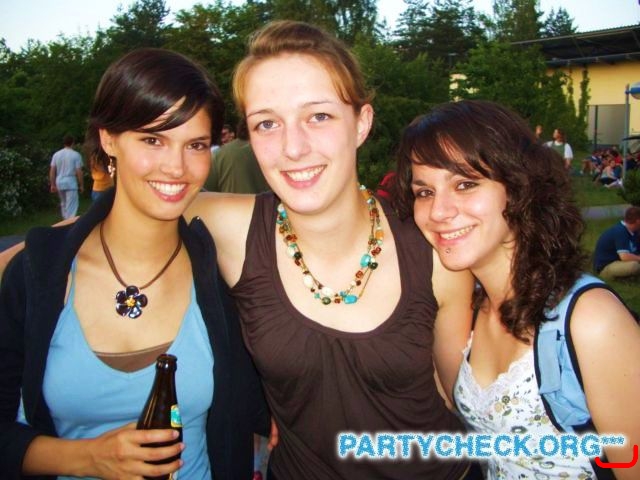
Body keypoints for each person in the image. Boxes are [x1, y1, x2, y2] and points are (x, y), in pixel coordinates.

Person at [184, 20, 477, 479]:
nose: (293, 148)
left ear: (361, 123)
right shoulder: (232, 229)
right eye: (267, 124)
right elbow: (131, 208)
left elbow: (461, 400)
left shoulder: (430, 247)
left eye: (318, 116)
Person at [0, 47, 268, 479]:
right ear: (108, 139)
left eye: (196, 145)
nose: (176, 167)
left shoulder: (220, 274)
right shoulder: (40, 275)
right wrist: (89, 458)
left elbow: (259, 398)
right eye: (153, 139)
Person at [394, 99, 640, 479]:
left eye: (465, 184)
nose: (439, 211)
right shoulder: (469, 307)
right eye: (424, 192)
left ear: (518, 186)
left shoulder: (589, 320)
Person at [205, 119, 270, 194]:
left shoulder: (218, 154)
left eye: (224, 134)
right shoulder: (273, 151)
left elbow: (205, 191)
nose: (222, 139)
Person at [593, 206, 640, 280]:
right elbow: (625, 257)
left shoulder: (634, 232)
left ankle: (628, 277)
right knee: (635, 266)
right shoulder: (620, 231)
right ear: (638, 221)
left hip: (619, 262)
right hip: (606, 266)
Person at [49, 135, 84, 219]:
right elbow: (79, 171)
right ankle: (69, 222)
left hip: (59, 182)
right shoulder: (76, 155)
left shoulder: (56, 155)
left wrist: (52, 184)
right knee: (71, 206)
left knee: (63, 204)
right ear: (73, 143)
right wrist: (81, 184)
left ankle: (65, 221)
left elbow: (52, 170)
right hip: (71, 182)